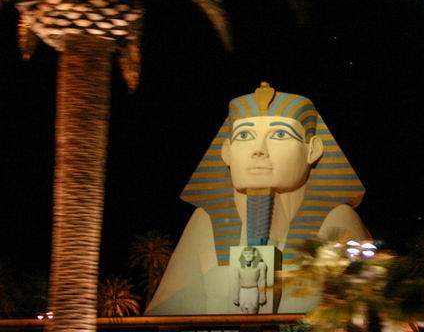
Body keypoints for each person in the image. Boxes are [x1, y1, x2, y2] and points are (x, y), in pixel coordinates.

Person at [146, 82, 369, 315]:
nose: (259, 149)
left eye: (279, 134)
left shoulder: (337, 221)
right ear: (227, 151)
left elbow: (363, 313)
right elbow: (164, 317)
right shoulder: (206, 222)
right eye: (244, 135)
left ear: (312, 150)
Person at [233, 247, 267, 314]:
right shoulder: (238, 265)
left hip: (253, 290)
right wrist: (236, 295)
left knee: (252, 310)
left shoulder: (261, 265)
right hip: (243, 290)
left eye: (250, 253)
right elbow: (236, 281)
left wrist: (262, 295)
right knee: (243, 311)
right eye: (246, 253)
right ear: (243, 254)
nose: (248, 255)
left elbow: (262, 280)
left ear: (254, 254)